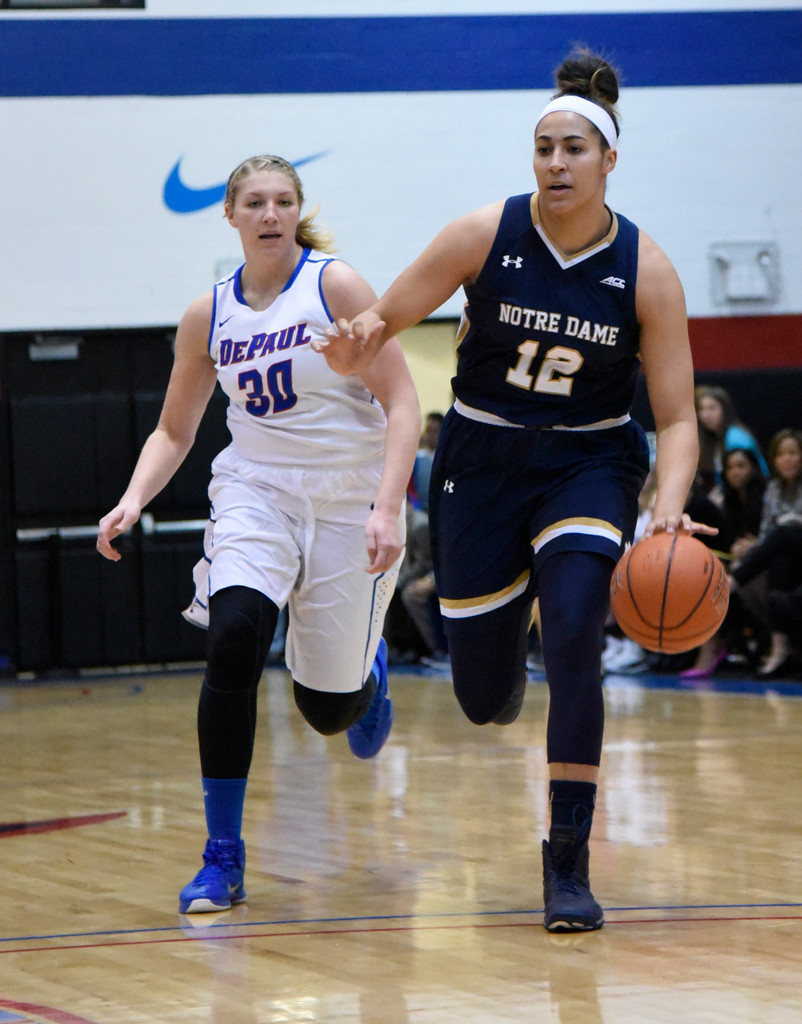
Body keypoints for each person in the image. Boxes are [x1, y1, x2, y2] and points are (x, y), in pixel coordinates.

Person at [314, 49, 714, 932]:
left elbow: (678, 420)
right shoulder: (481, 235)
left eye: (574, 148)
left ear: (610, 159)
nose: (556, 163)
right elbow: (386, 316)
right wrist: (356, 343)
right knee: (484, 700)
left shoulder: (646, 271)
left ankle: (566, 865)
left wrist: (668, 509)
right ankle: (408, 664)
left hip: (588, 463)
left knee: (575, 632)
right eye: (543, 148)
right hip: (482, 461)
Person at [97, 154, 421, 913]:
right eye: (254, 202)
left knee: (325, 710)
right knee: (235, 634)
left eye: (282, 201)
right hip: (257, 491)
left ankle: (366, 679)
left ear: (296, 210)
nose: (269, 213)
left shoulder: (333, 285)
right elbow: (175, 430)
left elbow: (403, 403)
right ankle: (223, 856)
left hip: (348, 498)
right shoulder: (207, 314)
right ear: (232, 216)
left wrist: (386, 505)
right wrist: (133, 498)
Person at [695, 385, 768, 498]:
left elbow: (755, 476)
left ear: (725, 409)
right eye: (702, 409)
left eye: (712, 408)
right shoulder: (713, 438)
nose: (706, 415)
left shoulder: (736, 438)